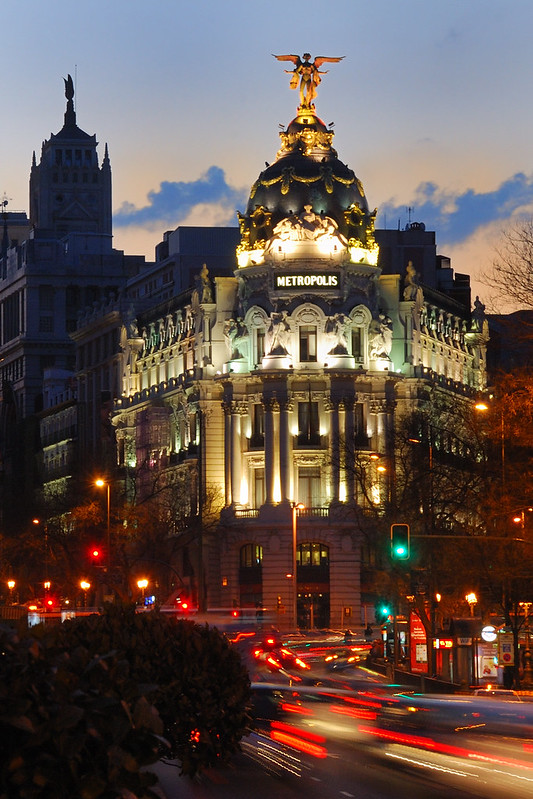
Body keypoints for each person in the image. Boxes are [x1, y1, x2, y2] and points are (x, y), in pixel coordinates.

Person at [273, 53, 344, 109]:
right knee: (301, 92)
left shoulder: (311, 66)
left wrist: (324, 73)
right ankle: (303, 103)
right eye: (305, 57)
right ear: (304, 58)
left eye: (307, 57)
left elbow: (316, 72)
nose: (306, 59)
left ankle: (307, 104)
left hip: (309, 79)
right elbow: (296, 72)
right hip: (303, 78)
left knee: (308, 92)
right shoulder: (302, 65)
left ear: (309, 58)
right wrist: (288, 72)